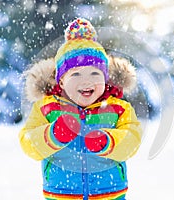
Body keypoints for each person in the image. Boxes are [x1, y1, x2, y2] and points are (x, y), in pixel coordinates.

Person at [19, 18, 142, 200]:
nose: (87, 81)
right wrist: (52, 135)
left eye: (95, 73)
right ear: (61, 81)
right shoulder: (47, 107)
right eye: (76, 74)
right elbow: (27, 141)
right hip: (61, 192)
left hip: (109, 192)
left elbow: (133, 139)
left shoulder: (118, 108)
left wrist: (109, 142)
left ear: (105, 78)